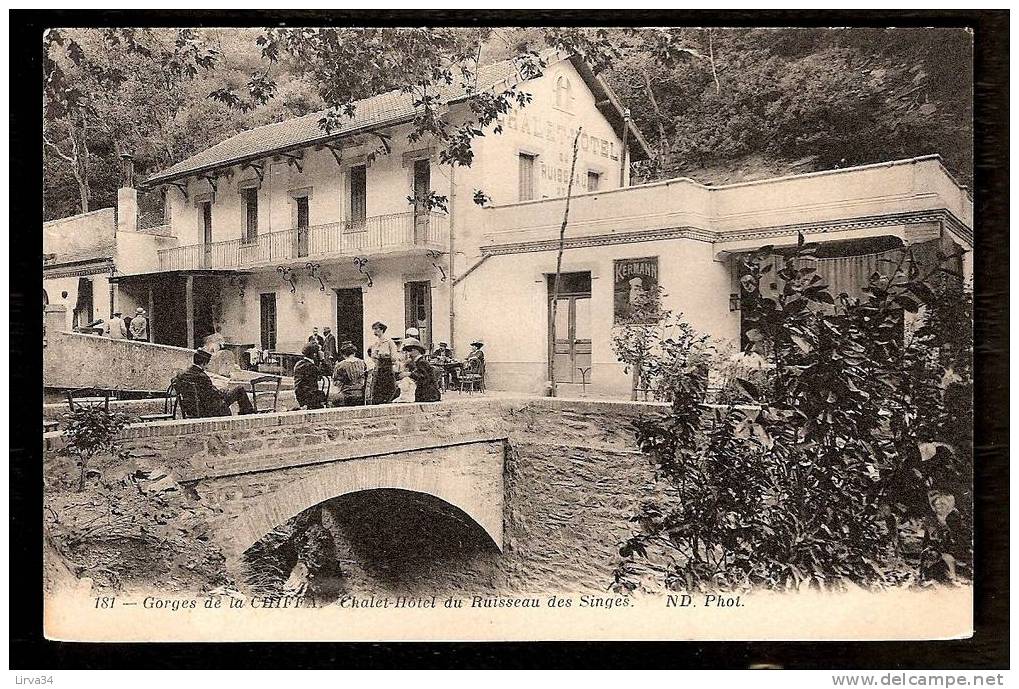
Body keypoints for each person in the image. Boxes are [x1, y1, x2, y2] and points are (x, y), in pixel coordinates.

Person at [173, 349, 255, 417]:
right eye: (207, 364)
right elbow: (214, 395)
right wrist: (223, 391)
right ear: (204, 363)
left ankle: (247, 413)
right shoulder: (202, 376)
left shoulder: (183, 374)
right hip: (210, 409)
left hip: (194, 408)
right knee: (240, 389)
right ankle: (248, 414)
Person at [402, 337, 441, 402]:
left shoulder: (422, 362)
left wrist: (409, 374)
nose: (409, 354)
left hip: (428, 394)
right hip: (424, 392)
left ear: (417, 351)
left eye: (410, 351)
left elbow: (423, 377)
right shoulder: (416, 362)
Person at [368, 321, 398, 404]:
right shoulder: (375, 343)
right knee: (377, 388)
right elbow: (372, 356)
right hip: (378, 367)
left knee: (388, 387)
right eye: (373, 329)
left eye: (376, 329)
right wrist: (375, 357)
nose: (374, 331)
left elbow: (394, 357)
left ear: (382, 330)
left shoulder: (389, 342)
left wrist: (384, 356)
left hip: (387, 368)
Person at [294, 343, 326, 409]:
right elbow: (328, 371)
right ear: (314, 354)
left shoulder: (299, 364)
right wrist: (322, 359)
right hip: (309, 397)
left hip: (301, 396)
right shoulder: (310, 366)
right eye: (319, 352)